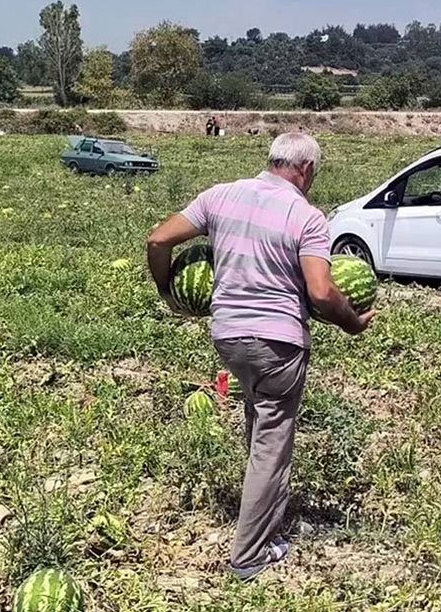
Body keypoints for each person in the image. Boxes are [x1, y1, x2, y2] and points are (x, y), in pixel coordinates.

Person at [146, 132, 374, 581]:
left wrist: (167, 292)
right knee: (273, 444)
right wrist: (351, 322)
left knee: (259, 418)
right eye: (314, 175)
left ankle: (263, 518)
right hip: (278, 343)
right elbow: (322, 291)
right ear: (305, 170)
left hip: (229, 338)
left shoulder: (220, 196)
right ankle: (250, 555)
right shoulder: (306, 217)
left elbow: (158, 241)